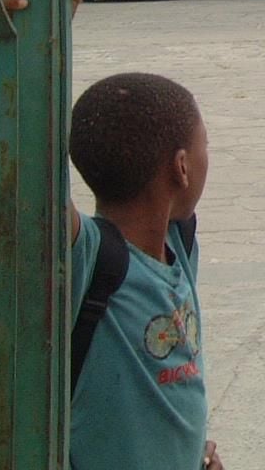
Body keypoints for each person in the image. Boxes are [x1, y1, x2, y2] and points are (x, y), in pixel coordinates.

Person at [67, 69, 224, 470]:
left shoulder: (179, 243)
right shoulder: (90, 258)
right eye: (206, 144)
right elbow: (34, 172)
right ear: (181, 167)